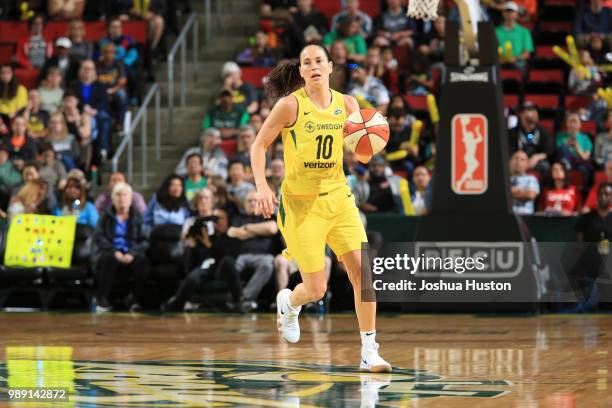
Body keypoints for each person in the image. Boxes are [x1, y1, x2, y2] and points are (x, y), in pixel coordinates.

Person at [250, 44, 391, 372]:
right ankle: (289, 302)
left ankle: (369, 350)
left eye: (319, 61)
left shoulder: (349, 104)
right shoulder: (289, 106)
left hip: (339, 199)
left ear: (329, 67)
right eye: (306, 62)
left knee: (363, 273)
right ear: (300, 71)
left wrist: (368, 143)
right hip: (301, 207)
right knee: (316, 289)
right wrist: (261, 186)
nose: (313, 66)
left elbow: (362, 153)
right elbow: (258, 145)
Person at [161, 192, 242, 312]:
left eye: (207, 199)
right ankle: (177, 303)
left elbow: (224, 250)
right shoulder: (193, 222)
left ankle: (239, 301)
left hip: (219, 263)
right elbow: (187, 241)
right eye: (201, 200)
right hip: (202, 261)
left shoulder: (225, 229)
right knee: (193, 277)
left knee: (227, 261)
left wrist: (207, 241)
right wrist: (196, 239)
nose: (204, 202)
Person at [94, 181, 150, 312]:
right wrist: (114, 251)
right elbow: (99, 236)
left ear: (131, 198)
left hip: (131, 251)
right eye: (118, 195)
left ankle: (134, 299)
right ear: (113, 199)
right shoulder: (106, 216)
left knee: (143, 262)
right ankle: (102, 300)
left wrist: (132, 253)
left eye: (125, 195)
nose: (122, 198)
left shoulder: (137, 216)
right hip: (111, 251)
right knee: (108, 259)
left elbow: (144, 240)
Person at [508, 101, 554, 176]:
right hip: (518, 160)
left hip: (535, 162)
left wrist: (537, 157)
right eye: (530, 110)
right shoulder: (513, 132)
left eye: (535, 110)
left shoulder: (543, 131)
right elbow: (509, 151)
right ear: (521, 114)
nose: (535, 113)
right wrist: (522, 161)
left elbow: (549, 150)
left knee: (544, 166)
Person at [556, 111, 593, 191]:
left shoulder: (585, 138)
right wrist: (566, 144)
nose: (572, 125)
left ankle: (583, 190)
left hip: (580, 162)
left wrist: (577, 147)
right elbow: (558, 152)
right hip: (564, 163)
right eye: (570, 122)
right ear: (566, 124)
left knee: (584, 169)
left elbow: (585, 157)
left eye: (575, 122)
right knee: (563, 148)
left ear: (580, 124)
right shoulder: (560, 136)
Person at [494, 1, 533, 69]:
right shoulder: (495, 31)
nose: (509, 13)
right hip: (500, 62)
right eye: (507, 11)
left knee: (518, 65)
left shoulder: (524, 31)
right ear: (502, 13)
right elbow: (492, 51)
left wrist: (515, 58)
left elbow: (527, 53)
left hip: (517, 62)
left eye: (512, 11)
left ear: (516, 14)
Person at [510, 150, 540, 215]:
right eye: (516, 158)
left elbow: (530, 195)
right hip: (506, 217)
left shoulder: (531, 179)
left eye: (522, 159)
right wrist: (522, 192)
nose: (518, 162)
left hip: (525, 217)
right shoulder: (504, 179)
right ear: (510, 161)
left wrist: (510, 192)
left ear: (527, 164)